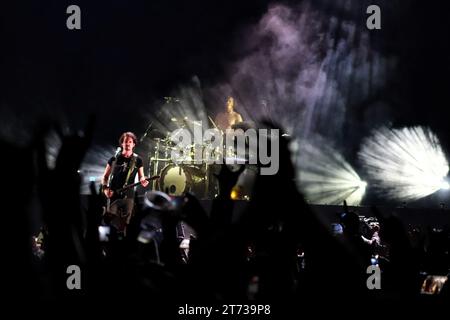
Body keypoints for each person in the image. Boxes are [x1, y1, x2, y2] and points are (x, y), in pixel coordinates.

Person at [102, 132, 149, 234]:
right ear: (121, 144)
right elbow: (105, 176)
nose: (127, 144)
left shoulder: (138, 160)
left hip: (129, 196)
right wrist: (105, 189)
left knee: (126, 225)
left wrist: (143, 181)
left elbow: (141, 177)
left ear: (133, 144)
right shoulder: (114, 159)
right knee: (110, 223)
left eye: (130, 142)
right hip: (113, 195)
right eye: (125, 142)